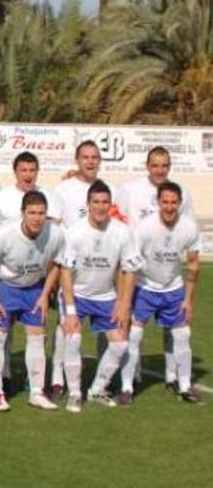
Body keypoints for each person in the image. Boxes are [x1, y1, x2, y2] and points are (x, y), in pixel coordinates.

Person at [59, 180, 144, 413]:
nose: (100, 206)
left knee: (120, 343)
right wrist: (70, 310)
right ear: (88, 204)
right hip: (76, 294)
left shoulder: (123, 231)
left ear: (110, 204)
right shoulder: (75, 232)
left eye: (105, 202)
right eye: (95, 202)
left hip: (106, 296)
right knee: (73, 338)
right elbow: (65, 273)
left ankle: (97, 390)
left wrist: (123, 304)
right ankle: (75, 393)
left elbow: (130, 270)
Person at [118, 182, 202, 404]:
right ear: (158, 202)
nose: (169, 206)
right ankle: (127, 387)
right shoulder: (145, 228)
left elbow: (193, 265)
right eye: (165, 202)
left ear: (180, 203)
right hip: (144, 288)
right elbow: (131, 265)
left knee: (183, 335)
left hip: (173, 288)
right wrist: (125, 302)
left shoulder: (189, 227)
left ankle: (184, 385)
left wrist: (188, 300)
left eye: (174, 202)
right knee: (134, 336)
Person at [0, 191, 64, 411]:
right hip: (5, 287)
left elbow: (57, 264)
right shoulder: (2, 236)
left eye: (41, 213)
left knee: (37, 338)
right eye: (32, 212)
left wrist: (44, 295)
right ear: (22, 213)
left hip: (34, 289)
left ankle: (37, 392)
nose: (37, 218)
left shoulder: (56, 234)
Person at [50, 140, 104, 399]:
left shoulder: (109, 190)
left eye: (95, 157)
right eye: (85, 157)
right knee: (65, 324)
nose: (90, 161)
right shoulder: (63, 188)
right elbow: (55, 226)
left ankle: (106, 379)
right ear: (77, 159)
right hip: (70, 268)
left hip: (100, 272)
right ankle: (57, 377)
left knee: (106, 324)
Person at [118, 146, 195, 227]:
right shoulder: (129, 190)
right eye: (155, 166)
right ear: (147, 166)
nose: (160, 171)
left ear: (169, 167)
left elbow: (190, 225)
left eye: (164, 166)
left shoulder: (182, 192)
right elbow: (118, 221)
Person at [0, 152, 61, 229]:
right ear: (15, 172)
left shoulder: (49, 196)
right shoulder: (0, 197)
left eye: (32, 170)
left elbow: (55, 224)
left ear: (37, 172)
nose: (28, 175)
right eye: (24, 170)